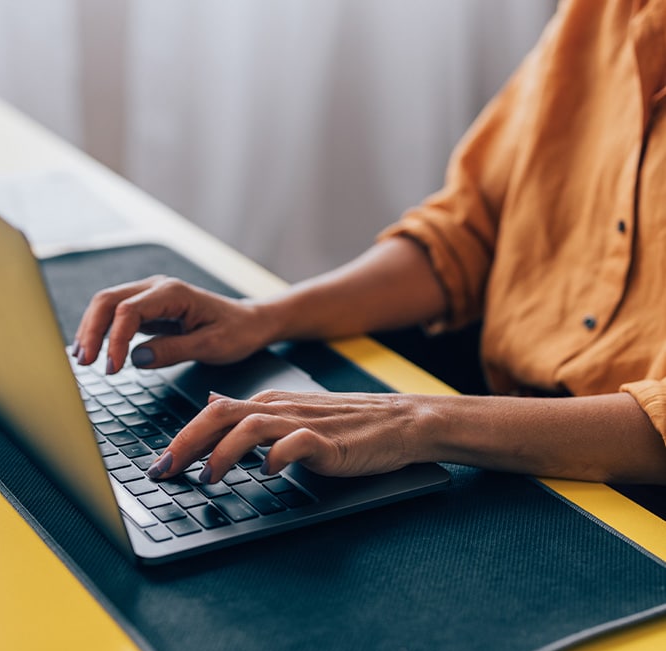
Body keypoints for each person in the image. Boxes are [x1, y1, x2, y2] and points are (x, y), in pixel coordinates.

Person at [73, 0, 666, 487]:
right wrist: (262, 317)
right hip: (510, 444)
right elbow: (470, 231)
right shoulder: (600, 13)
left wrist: (417, 419)